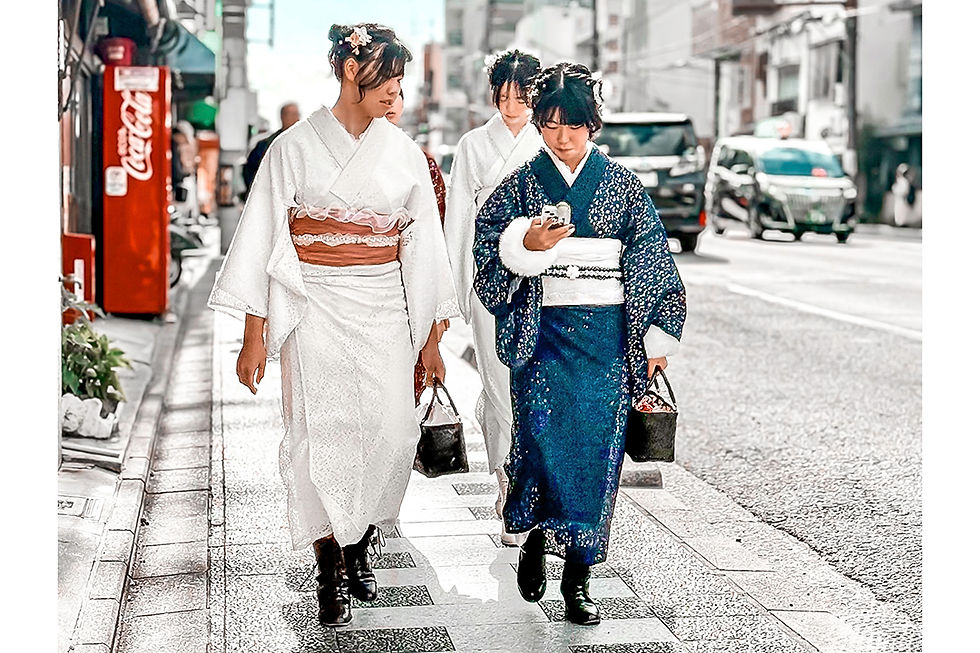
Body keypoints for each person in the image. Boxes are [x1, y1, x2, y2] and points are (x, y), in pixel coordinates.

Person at [208, 23, 457, 628]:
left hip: (383, 307)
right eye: (388, 79)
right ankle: (329, 565)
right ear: (351, 69)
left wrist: (430, 341)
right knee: (320, 433)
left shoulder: (404, 155)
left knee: (391, 430)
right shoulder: (292, 148)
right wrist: (253, 335)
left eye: (401, 81)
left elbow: (424, 254)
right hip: (313, 304)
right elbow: (263, 238)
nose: (397, 93)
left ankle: (360, 541)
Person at [472, 62, 687, 625]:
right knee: (541, 441)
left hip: (607, 341)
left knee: (596, 455)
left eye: (573, 125)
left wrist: (653, 338)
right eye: (549, 124)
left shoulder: (623, 186)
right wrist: (526, 244)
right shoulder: (521, 183)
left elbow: (651, 263)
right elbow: (489, 241)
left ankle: (579, 575)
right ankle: (539, 534)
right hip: (542, 333)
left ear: (594, 125)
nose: (561, 137)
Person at [443, 50, 542, 546]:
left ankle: (536, 488)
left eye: (520, 95)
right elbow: (459, 220)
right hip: (492, 280)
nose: (510, 105)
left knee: (540, 386)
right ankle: (509, 487)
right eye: (502, 95)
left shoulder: (549, 139)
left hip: (544, 279)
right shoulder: (473, 145)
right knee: (500, 383)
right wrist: (455, 287)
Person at [384, 90, 452, 401]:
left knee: (402, 400)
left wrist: (437, 307)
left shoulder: (419, 160)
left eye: (398, 92)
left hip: (411, 292)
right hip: (351, 291)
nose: (389, 101)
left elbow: (435, 238)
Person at [242, 101, 301, 193]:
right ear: (282, 117)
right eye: (292, 114)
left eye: (297, 114)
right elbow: (250, 171)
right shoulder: (266, 145)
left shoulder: (305, 144)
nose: (296, 118)